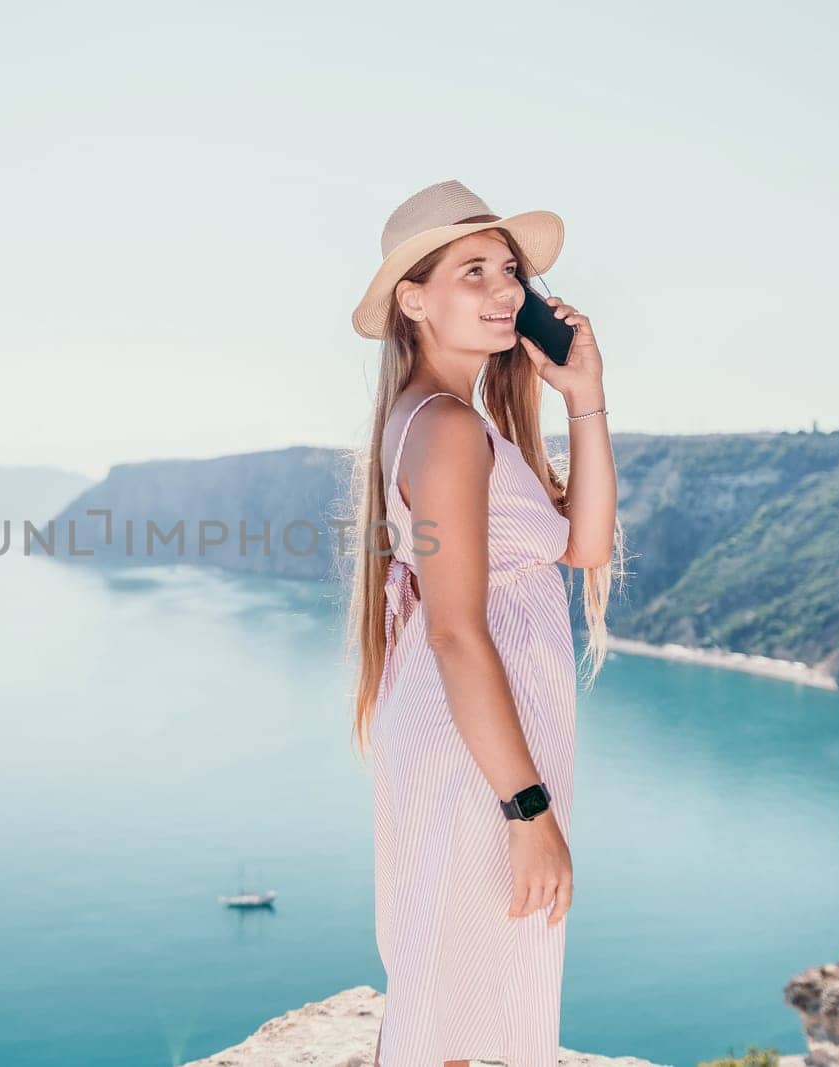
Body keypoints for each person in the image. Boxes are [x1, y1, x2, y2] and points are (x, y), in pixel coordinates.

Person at [344, 180, 625, 1067]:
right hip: (482, 761)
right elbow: (456, 632)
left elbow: (582, 546)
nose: (506, 290)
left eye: (510, 271)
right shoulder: (449, 431)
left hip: (475, 745)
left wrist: (586, 393)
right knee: (451, 1014)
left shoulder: (459, 425)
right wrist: (528, 807)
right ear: (413, 300)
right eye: (474, 271)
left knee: (451, 1002)